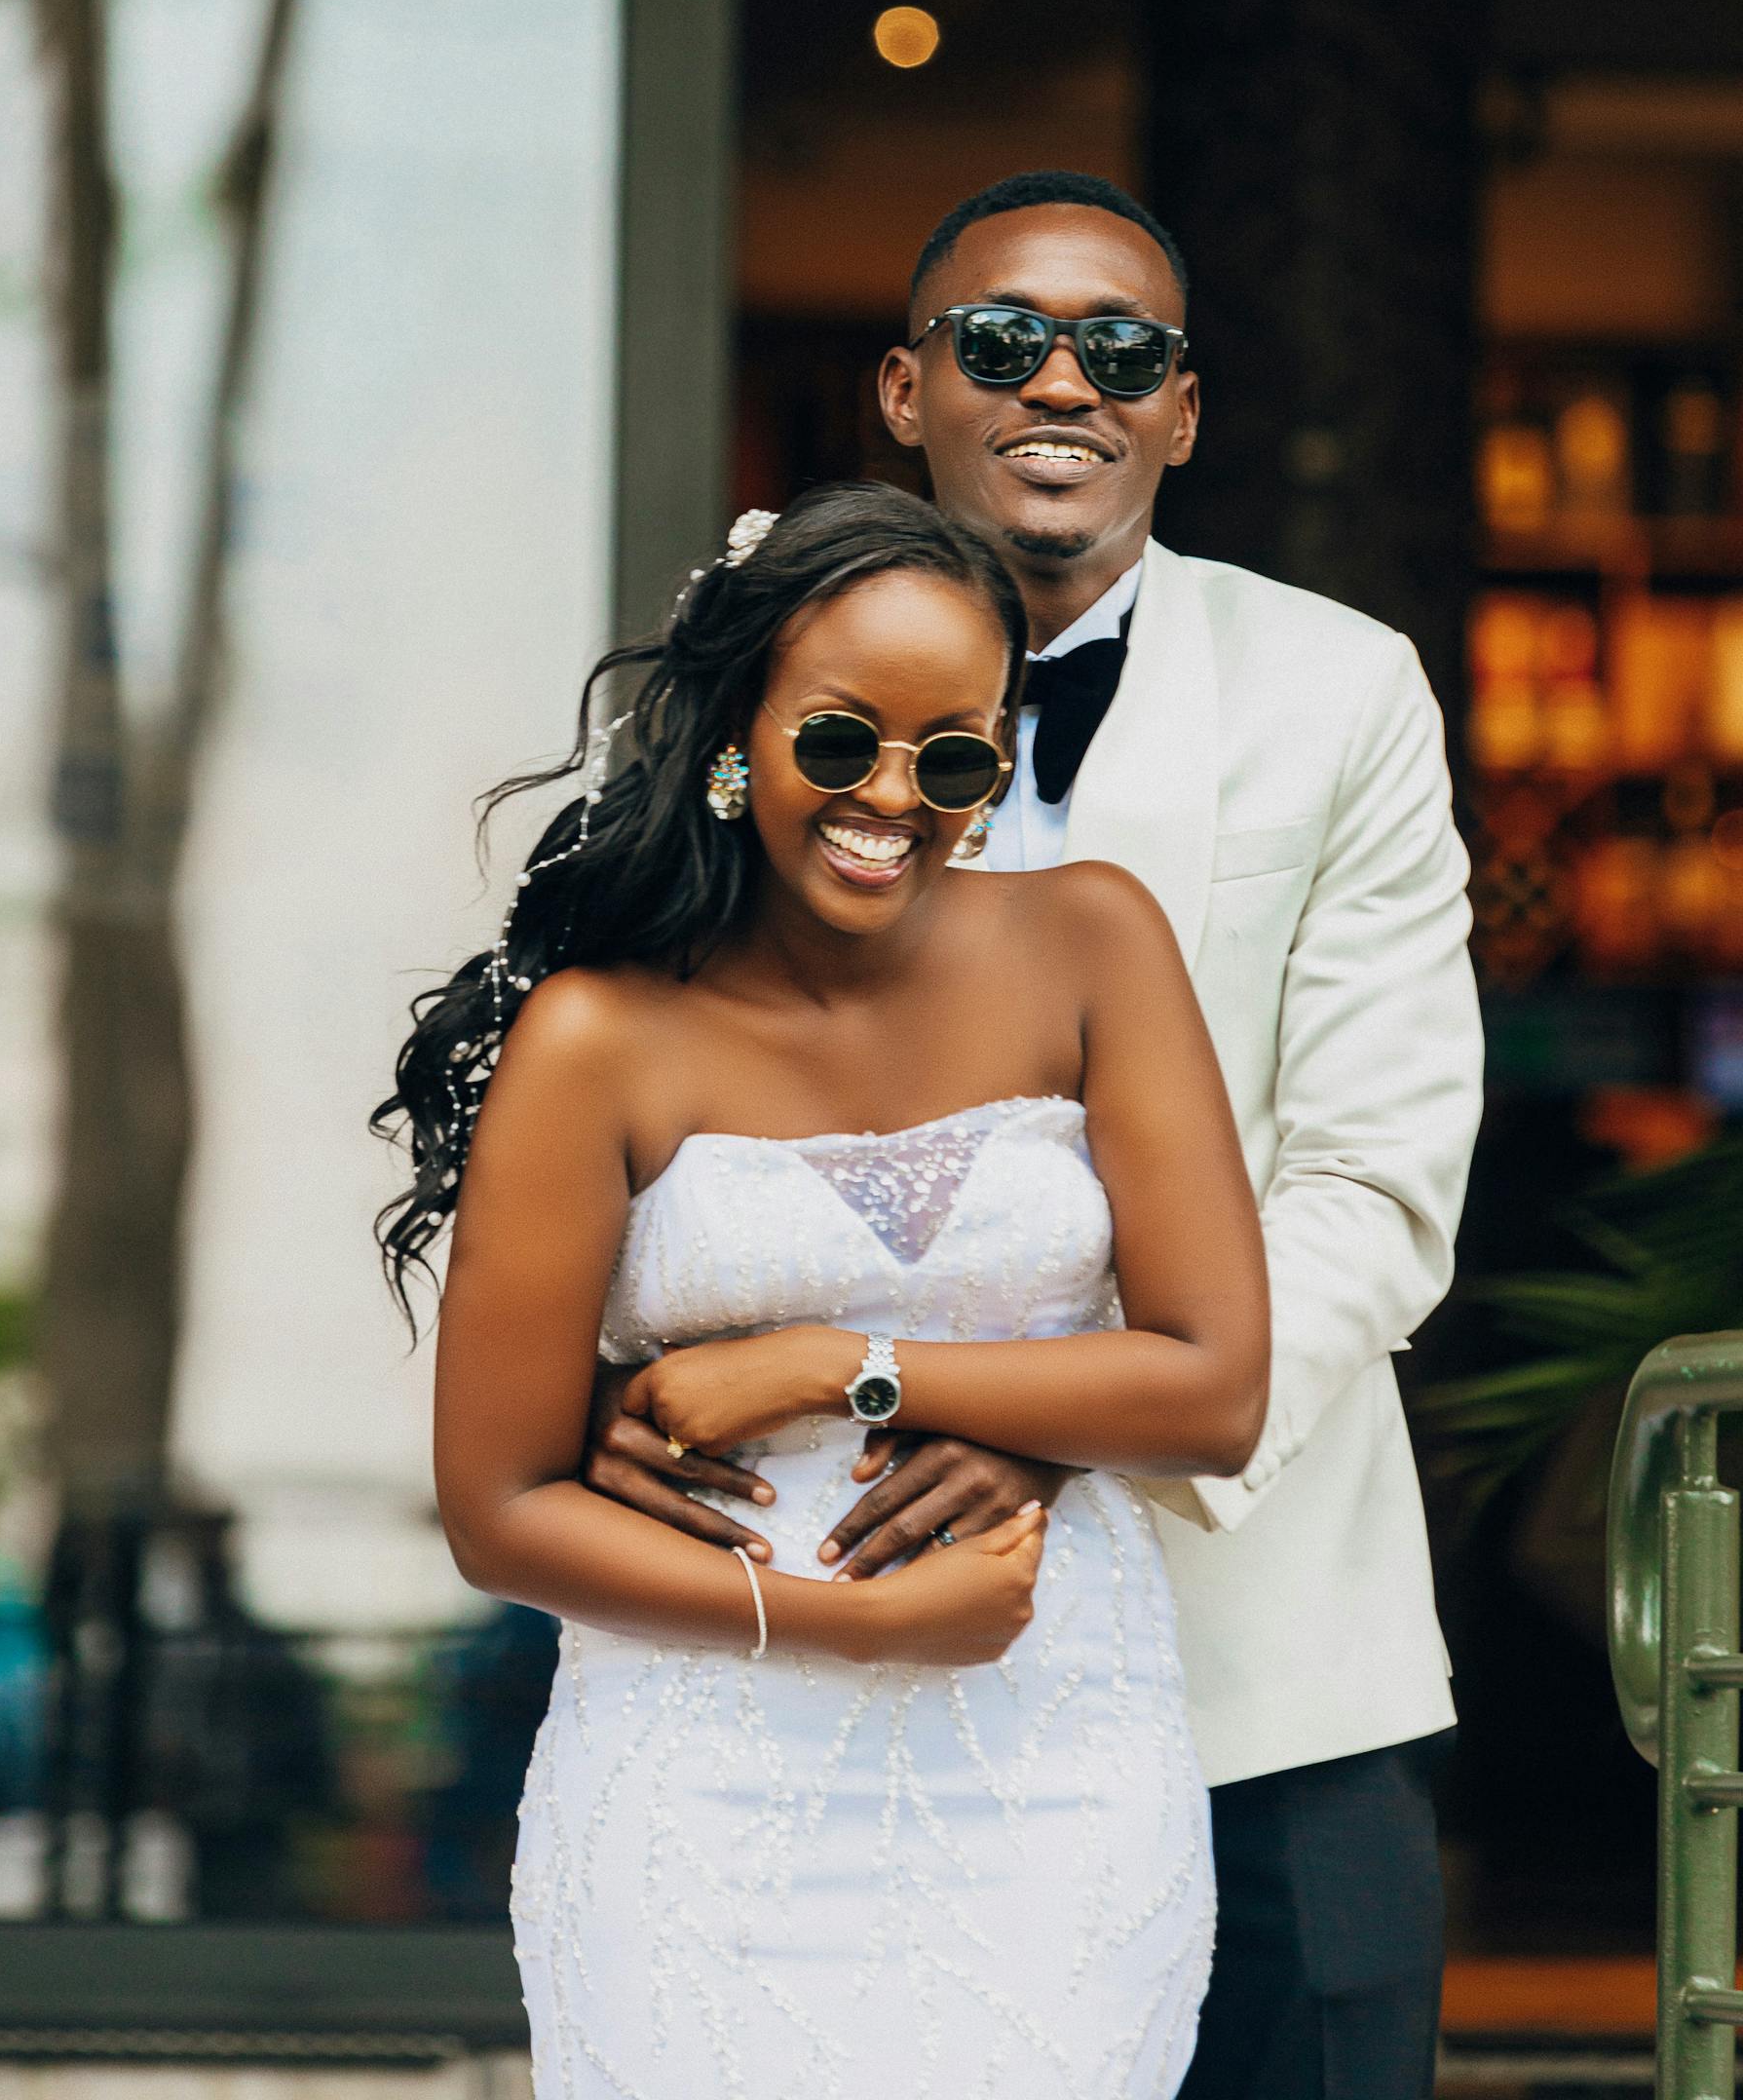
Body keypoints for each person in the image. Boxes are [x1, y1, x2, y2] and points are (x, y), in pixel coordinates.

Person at [585, 173, 1484, 2100]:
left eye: (1121, 349)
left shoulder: (1341, 694)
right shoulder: (740, 696)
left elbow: (1378, 1185)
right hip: (793, 1673)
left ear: (1182, 409)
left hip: (1267, 1670)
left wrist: (1021, 1405)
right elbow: (613, 1117)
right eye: (1004, 341)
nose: (1061, 381)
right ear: (908, 389)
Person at [376, 482, 1269, 2098]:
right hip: (702, 1787)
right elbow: (498, 1507)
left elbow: (1211, 1387)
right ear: (740, 732)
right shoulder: (598, 1039)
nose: (893, 802)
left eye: (955, 759)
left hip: (1058, 1764)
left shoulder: (1094, 943)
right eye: (841, 742)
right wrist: (849, 1622)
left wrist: (827, 1362)